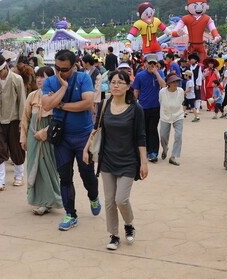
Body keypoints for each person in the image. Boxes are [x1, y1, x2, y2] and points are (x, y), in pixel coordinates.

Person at [82, 69, 148, 250]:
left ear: (128, 86)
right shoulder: (104, 104)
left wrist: (143, 162)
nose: (116, 85)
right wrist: (86, 148)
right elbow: (95, 129)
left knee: (121, 199)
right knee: (110, 200)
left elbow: (141, 137)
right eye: (113, 82)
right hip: (107, 160)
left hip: (128, 161)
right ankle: (114, 235)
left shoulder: (136, 109)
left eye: (120, 82)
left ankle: (129, 224)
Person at [42, 49, 100, 231]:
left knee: (87, 174)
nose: (60, 73)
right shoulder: (51, 81)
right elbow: (46, 105)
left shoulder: (83, 78)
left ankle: (93, 196)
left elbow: (88, 103)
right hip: (62, 137)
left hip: (83, 136)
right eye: (57, 68)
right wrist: (64, 88)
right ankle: (70, 214)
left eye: (64, 69)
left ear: (74, 66)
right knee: (65, 176)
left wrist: (61, 104)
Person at [20, 66, 63, 215]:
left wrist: (44, 133)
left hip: (48, 139)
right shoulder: (32, 96)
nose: (39, 80)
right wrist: (23, 138)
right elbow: (25, 118)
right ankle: (39, 200)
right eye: (37, 76)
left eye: (43, 77)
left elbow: (59, 120)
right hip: (33, 139)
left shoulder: (56, 96)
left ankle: (49, 201)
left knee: (49, 169)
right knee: (34, 168)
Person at [0, 53, 26, 193]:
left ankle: (19, 176)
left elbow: (22, 101)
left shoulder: (17, 79)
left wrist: (22, 121)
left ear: (5, 68)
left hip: (14, 119)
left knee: (17, 148)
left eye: (0, 72)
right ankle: (0, 181)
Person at [132, 54, 166, 162]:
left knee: (153, 129)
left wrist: (156, 73)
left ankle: (153, 152)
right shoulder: (140, 75)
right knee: (144, 130)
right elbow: (136, 91)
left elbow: (164, 85)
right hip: (143, 107)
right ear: (145, 63)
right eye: (150, 63)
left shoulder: (160, 73)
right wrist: (133, 104)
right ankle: (145, 151)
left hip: (156, 106)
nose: (151, 65)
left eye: (154, 63)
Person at [159, 73, 185, 166]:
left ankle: (174, 156)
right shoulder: (162, 92)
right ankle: (165, 148)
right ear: (168, 83)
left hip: (178, 115)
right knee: (162, 136)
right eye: (173, 82)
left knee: (178, 135)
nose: (175, 83)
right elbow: (160, 101)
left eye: (176, 81)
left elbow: (181, 102)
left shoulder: (181, 91)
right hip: (165, 116)